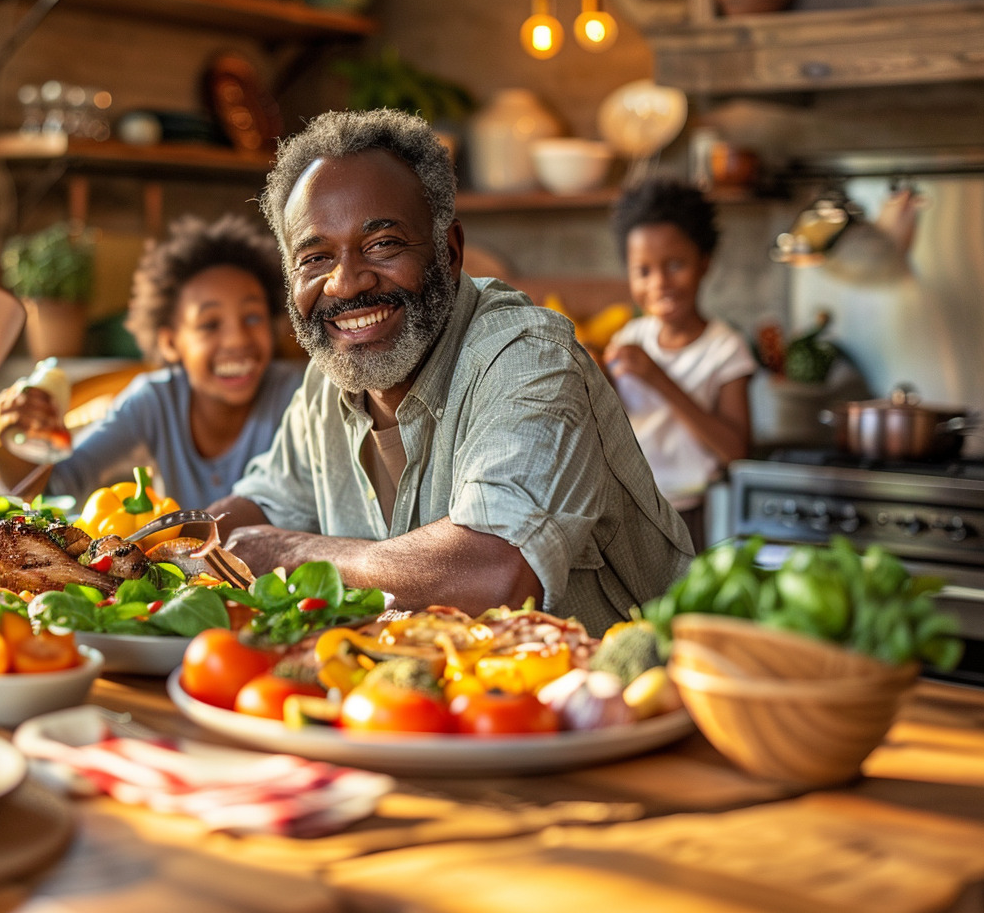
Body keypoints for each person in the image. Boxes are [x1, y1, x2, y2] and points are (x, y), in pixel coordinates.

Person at [205, 108, 692, 635]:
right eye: (315, 258)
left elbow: (494, 573)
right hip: (421, 702)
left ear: (450, 251)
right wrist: (150, 551)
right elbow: (262, 506)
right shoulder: (332, 375)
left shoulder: (527, 358)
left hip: (617, 701)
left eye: (382, 245)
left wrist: (292, 553)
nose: (345, 284)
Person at [0, 213, 304, 510]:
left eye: (252, 318)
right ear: (169, 342)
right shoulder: (154, 403)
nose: (238, 341)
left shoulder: (302, 397)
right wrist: (1, 439)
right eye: (209, 324)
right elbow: (56, 488)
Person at [601, 178, 757, 550]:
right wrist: (597, 376)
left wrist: (658, 378)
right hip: (628, 510)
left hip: (695, 514)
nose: (659, 283)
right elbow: (611, 426)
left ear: (704, 263)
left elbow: (736, 451)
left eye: (675, 264)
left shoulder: (726, 349)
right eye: (644, 271)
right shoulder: (629, 339)